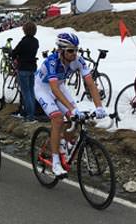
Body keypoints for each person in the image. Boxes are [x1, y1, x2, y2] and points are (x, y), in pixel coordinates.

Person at [34, 33, 106, 178]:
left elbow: (90, 83)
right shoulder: (52, 61)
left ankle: (63, 144)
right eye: (70, 50)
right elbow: (53, 90)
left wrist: (99, 106)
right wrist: (72, 109)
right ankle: (55, 162)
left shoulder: (78, 60)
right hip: (43, 88)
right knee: (58, 119)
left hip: (60, 87)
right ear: (61, 50)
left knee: (76, 120)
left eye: (76, 50)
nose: (75, 53)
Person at [11, 22, 39, 121]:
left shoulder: (24, 41)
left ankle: (29, 115)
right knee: (31, 91)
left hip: (23, 68)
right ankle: (32, 113)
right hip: (32, 68)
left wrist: (14, 56)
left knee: (25, 92)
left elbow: (15, 52)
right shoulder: (36, 41)